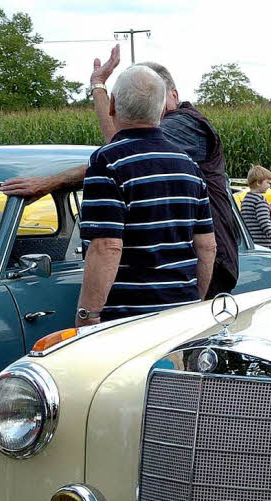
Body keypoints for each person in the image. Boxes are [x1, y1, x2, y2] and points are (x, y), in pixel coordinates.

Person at [1, 46, 242, 298]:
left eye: (152, 95)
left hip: (202, 264)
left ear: (173, 94)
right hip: (178, 263)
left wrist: (49, 183)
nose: (149, 105)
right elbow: (122, 149)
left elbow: (123, 150)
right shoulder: (147, 139)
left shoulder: (185, 122)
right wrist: (98, 85)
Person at [75, 65, 215, 326]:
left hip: (128, 321)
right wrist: (195, 302)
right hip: (181, 315)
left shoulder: (106, 162)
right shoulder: (188, 165)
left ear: (112, 105)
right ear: (162, 109)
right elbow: (207, 246)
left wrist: (88, 314)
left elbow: (107, 246)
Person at [240, 165, 271, 248]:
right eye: (267, 183)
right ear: (258, 182)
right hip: (263, 244)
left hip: (250, 242)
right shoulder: (260, 200)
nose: (269, 186)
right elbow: (264, 221)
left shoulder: (246, 199)